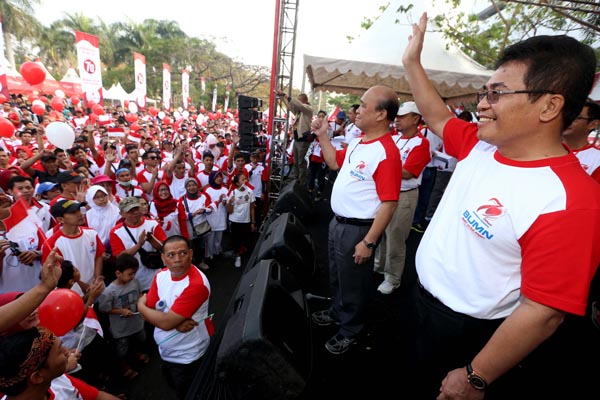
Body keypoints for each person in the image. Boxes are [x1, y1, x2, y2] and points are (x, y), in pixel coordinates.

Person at [402, 13, 600, 399]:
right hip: (420, 302)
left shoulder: (571, 201)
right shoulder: (481, 145)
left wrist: (476, 376)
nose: (483, 105)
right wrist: (412, 63)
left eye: (497, 93)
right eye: (484, 92)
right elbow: (437, 114)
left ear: (549, 106)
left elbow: (542, 312)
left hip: (469, 336)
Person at [309, 85, 402, 354]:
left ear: (381, 114)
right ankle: (339, 312)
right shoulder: (359, 142)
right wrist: (323, 135)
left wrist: (369, 242)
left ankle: (351, 328)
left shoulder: (387, 152)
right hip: (338, 223)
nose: (356, 110)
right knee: (338, 277)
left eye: (363, 106)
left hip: (358, 230)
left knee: (354, 285)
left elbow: (389, 203)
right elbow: (334, 163)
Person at [137, 235, 213, 400]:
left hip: (189, 356)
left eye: (182, 253)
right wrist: (172, 322)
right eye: (171, 255)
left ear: (191, 254)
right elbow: (151, 313)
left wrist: (139, 306)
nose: (177, 259)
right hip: (167, 353)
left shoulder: (196, 285)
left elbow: (158, 318)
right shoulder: (161, 275)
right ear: (163, 258)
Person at [374, 101, 431, 294]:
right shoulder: (395, 138)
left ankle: (393, 277)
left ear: (416, 118)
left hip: (404, 195)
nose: (396, 120)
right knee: (381, 232)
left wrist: (382, 167)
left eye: (402, 116)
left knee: (396, 237)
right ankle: (379, 265)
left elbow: (408, 172)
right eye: (396, 116)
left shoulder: (422, 144)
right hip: (387, 192)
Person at [0, 326, 121, 400]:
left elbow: (97, 396)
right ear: (37, 377)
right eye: (60, 350)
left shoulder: (60, 381)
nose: (67, 352)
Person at [98, 253, 148, 381]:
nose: (133, 276)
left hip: (137, 322)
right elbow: (103, 309)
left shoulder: (135, 282)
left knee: (140, 338)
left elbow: (140, 294)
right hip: (120, 328)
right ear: (118, 273)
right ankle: (124, 366)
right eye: (130, 274)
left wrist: (141, 302)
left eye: (134, 273)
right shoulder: (110, 291)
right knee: (121, 350)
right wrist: (120, 311)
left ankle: (137, 353)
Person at [44, 200, 105, 294]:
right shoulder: (52, 244)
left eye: (79, 210)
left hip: (95, 287)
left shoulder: (92, 233)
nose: (80, 214)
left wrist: (97, 280)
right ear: (60, 219)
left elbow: (98, 256)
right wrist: (84, 286)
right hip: (70, 293)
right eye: (73, 212)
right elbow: (59, 273)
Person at [109, 196, 166, 293]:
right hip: (134, 280)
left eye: (137, 208)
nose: (135, 212)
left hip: (157, 275)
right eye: (130, 210)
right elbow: (120, 256)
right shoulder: (116, 232)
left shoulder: (153, 223)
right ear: (122, 214)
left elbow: (164, 247)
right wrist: (139, 245)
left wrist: (152, 240)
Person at [275, 90, 314, 186]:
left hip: (303, 140)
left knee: (301, 162)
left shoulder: (308, 109)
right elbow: (290, 106)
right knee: (296, 161)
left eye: (299, 100)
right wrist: (282, 97)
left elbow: (298, 105)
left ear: (304, 101)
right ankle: (296, 180)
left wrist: (286, 95)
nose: (297, 102)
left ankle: (302, 182)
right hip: (297, 139)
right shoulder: (299, 111)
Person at [562, 100, 600, 183]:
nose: (567, 121)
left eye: (576, 117)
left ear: (593, 124)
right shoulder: (542, 149)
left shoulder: (597, 159)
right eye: (566, 116)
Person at [226, 173, 256, 268]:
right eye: (242, 180)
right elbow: (229, 211)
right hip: (234, 220)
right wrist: (230, 203)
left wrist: (253, 222)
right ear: (238, 183)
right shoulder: (233, 193)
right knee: (236, 239)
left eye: (245, 179)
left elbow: (252, 208)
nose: (245, 181)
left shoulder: (250, 192)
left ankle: (243, 253)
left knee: (245, 238)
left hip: (245, 220)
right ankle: (237, 256)